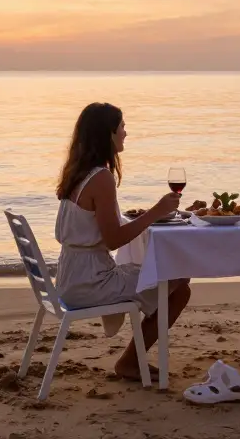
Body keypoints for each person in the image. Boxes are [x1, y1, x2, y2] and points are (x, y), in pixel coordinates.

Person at [54, 101, 191, 380]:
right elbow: (114, 239)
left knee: (172, 281)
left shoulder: (78, 173)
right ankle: (129, 361)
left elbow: (102, 230)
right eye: (122, 127)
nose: (126, 133)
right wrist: (156, 212)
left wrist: (150, 216)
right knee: (180, 286)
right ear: (108, 134)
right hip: (90, 282)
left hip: (72, 276)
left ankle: (131, 359)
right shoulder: (101, 178)